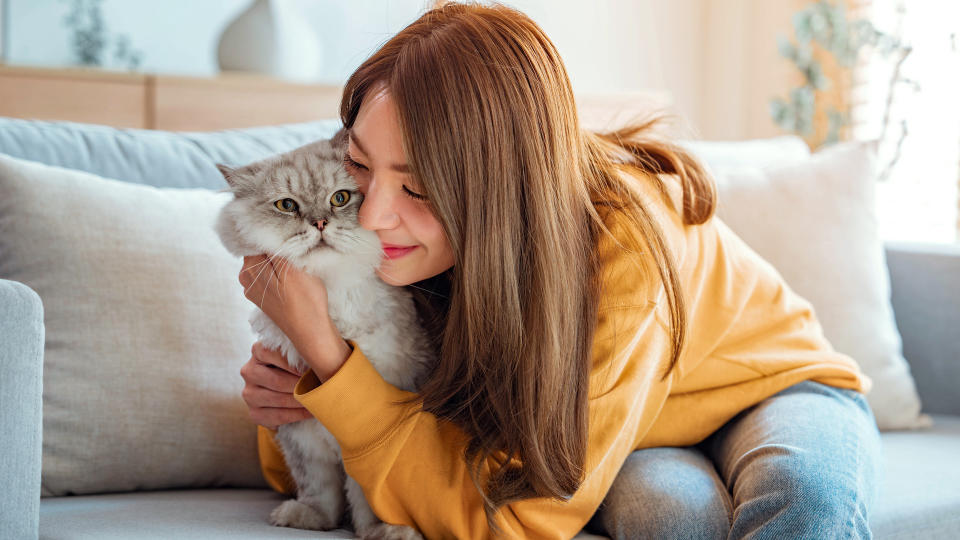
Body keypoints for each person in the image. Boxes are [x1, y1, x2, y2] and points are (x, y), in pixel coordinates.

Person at [236, 2, 882, 539]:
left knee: (806, 498)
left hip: (773, 389)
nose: (374, 215)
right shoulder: (389, 242)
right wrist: (299, 390)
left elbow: (520, 521)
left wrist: (333, 362)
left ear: (500, 186)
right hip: (632, 424)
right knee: (673, 517)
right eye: (359, 164)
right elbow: (337, 472)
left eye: (420, 184)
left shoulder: (626, 239)